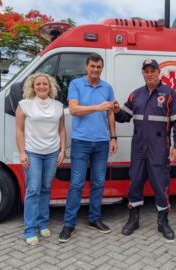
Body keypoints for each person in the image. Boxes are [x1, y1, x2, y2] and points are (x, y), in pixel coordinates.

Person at [113, 59, 176, 240]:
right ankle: (133, 219)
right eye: (146, 71)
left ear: (159, 72)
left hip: (159, 148)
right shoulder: (135, 95)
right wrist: (115, 110)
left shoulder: (170, 94)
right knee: (135, 182)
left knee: (161, 185)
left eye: (153, 70)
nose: (150, 74)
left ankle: (163, 222)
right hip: (138, 148)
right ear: (143, 74)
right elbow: (124, 118)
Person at [59, 53, 118, 243]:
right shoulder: (76, 85)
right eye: (92, 66)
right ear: (87, 66)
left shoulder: (107, 87)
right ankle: (69, 224)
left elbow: (110, 114)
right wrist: (97, 106)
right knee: (76, 183)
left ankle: (94, 218)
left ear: (102, 68)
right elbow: (74, 109)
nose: (95, 69)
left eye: (99, 67)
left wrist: (113, 137)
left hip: (102, 142)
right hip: (81, 142)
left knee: (99, 182)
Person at [16, 73, 66, 246]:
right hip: (33, 153)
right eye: (38, 84)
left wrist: (62, 150)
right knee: (33, 190)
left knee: (45, 189)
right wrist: (22, 153)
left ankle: (42, 223)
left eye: (45, 84)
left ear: (50, 86)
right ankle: (30, 229)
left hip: (52, 153)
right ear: (32, 87)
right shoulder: (25, 105)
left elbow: (61, 129)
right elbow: (19, 130)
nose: (42, 86)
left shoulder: (58, 106)